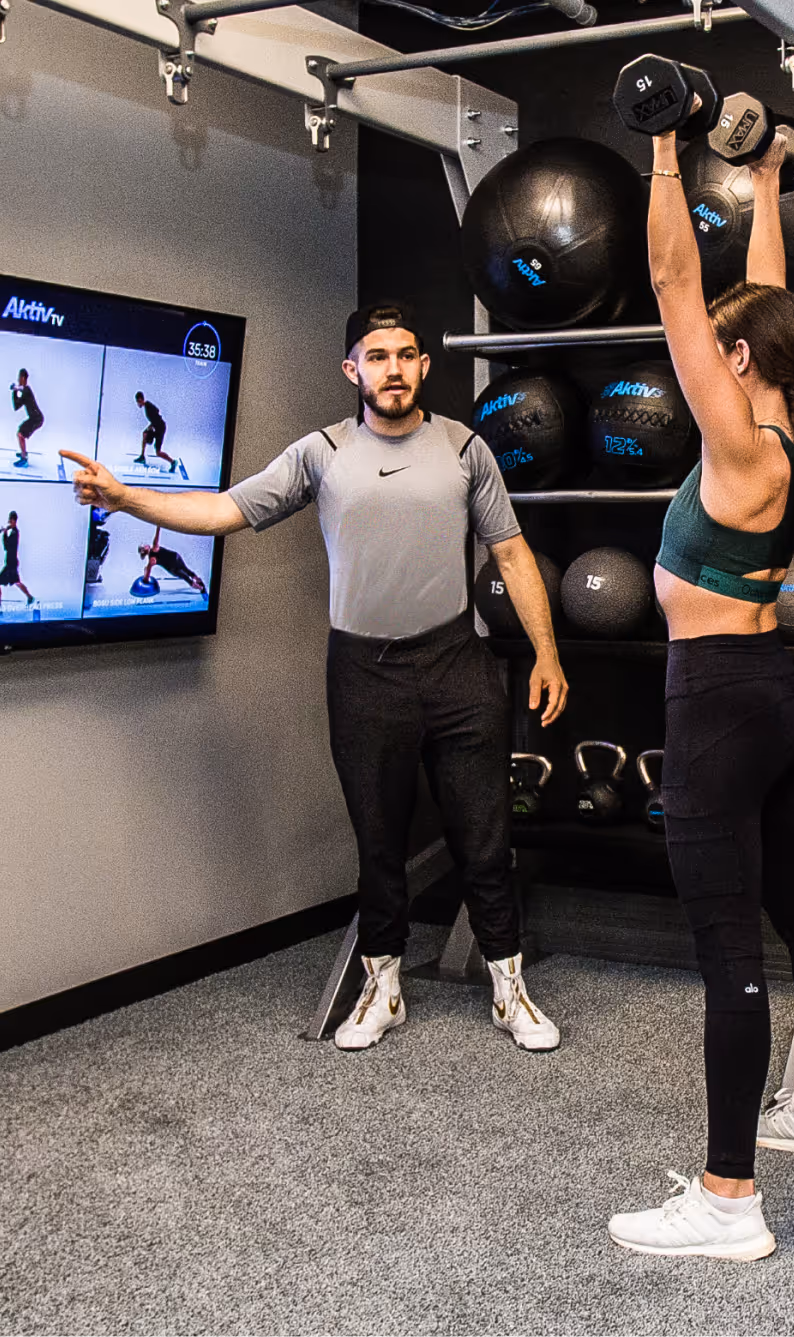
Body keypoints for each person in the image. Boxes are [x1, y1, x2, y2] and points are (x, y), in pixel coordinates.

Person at [63, 302, 568, 1053]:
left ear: (425, 365)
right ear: (352, 369)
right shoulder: (321, 454)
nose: (393, 368)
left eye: (406, 354)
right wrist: (128, 499)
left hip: (458, 664)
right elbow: (225, 510)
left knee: (485, 836)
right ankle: (383, 986)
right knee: (378, 842)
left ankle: (508, 986)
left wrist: (547, 653)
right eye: (378, 356)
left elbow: (514, 555)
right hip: (364, 672)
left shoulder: (465, 449)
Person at [606, 132, 794, 1262]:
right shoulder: (777, 429)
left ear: (740, 364)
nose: (702, 354)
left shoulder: (735, 439)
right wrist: (761, 183)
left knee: (725, 950)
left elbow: (672, 282)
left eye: (720, 349)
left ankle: (726, 1199)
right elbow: (765, 301)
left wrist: (661, 146)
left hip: (714, 702)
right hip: (767, 695)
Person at [139, 526, 207, 595]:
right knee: (187, 572)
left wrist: (145, 576)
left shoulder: (150, 561)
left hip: (173, 567)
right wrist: (158, 525)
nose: (145, 545)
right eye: (144, 546)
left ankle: (201, 588)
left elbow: (147, 575)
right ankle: (199, 582)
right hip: (176, 559)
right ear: (145, 549)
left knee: (186, 577)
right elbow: (157, 535)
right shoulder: (154, 548)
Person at [0, 512, 35, 610]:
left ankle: (30, 597)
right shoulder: (14, 532)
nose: (9, 522)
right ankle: (29, 597)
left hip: (11, 564)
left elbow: (7, 546)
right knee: (17, 582)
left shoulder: (15, 533)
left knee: (17, 582)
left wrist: (5, 534)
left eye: (10, 521)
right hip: (11, 563)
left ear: (14, 521)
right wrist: (6, 533)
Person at [134, 392, 176, 471]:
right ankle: (142, 457)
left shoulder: (148, 406)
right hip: (157, 427)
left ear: (140, 400)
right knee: (144, 434)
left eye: (138, 402)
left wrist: (151, 427)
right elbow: (155, 416)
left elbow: (157, 415)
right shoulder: (147, 406)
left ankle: (173, 462)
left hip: (160, 428)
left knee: (158, 452)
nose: (138, 404)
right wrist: (150, 427)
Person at [11, 369, 43, 466]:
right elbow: (17, 405)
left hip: (36, 419)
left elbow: (16, 405)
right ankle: (23, 453)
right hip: (35, 418)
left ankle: (24, 459)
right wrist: (16, 390)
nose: (18, 380)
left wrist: (14, 391)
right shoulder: (26, 390)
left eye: (19, 378)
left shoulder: (26, 391)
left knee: (20, 435)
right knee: (20, 433)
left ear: (23, 378)